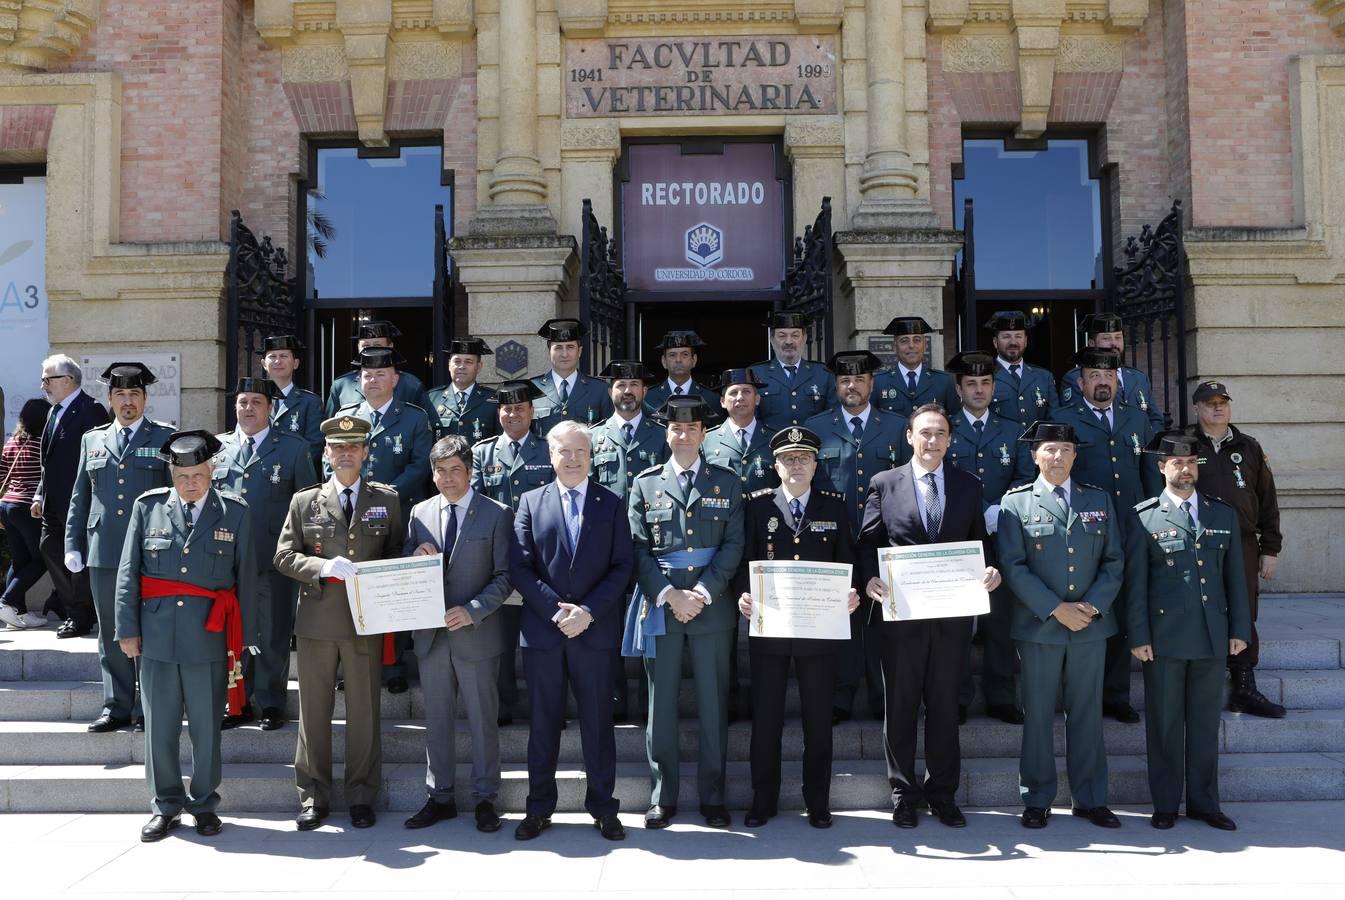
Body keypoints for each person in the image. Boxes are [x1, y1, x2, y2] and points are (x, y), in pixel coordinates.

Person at [861, 404, 1001, 829]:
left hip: (952, 618)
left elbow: (980, 541)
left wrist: (991, 569)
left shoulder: (967, 484)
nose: (932, 441)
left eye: (940, 433)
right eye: (925, 433)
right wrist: (869, 579)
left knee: (944, 707)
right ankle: (904, 793)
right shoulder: (884, 484)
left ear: (949, 439)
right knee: (901, 707)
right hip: (901, 618)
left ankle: (943, 793)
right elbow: (867, 542)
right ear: (909, 437)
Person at [113, 430, 258, 842]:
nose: (189, 483)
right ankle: (166, 805)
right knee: (159, 724)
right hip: (156, 635)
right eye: (182, 476)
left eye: (197, 474)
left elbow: (247, 578)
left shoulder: (235, 512)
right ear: (171, 473)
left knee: (207, 727)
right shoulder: (148, 507)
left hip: (209, 637)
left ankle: (205, 803)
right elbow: (129, 572)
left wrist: (245, 638)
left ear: (212, 470)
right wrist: (127, 629)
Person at [273, 415, 404, 831]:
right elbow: (283, 556)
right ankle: (313, 796)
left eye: (353, 446)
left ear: (366, 452)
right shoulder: (304, 501)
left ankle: (362, 795)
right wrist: (322, 565)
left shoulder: (387, 499)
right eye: (337, 447)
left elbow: (395, 552)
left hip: (366, 621)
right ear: (326, 454)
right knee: (314, 713)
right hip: (318, 620)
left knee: (364, 711)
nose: (345, 453)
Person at [624, 396, 745, 829]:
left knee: (714, 704)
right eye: (676, 429)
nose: (683, 435)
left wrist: (703, 592)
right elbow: (636, 549)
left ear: (703, 433)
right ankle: (663, 796)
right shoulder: (645, 483)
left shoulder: (727, 483)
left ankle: (713, 797)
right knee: (661, 707)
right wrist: (668, 594)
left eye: (691, 428)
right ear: (666, 433)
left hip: (710, 609)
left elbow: (734, 546)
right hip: (661, 607)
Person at [996, 421, 1124, 830]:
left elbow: (1114, 561)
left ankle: (1090, 797)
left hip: (1089, 625)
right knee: (1037, 715)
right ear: (1034, 455)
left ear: (1075, 455)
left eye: (1066, 450)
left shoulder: (1098, 500)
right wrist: (1055, 608)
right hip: (1040, 627)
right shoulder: (1015, 503)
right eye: (1050, 449)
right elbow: (1013, 567)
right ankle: (1036, 798)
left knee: (1087, 713)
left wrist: (1090, 606)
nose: (1058, 457)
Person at [510, 421, 634, 841]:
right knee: (543, 725)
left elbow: (622, 567)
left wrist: (588, 611)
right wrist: (556, 611)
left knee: (598, 725)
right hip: (545, 634)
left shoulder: (611, 503)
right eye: (564, 451)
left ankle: (603, 807)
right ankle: (538, 807)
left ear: (592, 455)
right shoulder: (529, 502)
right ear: (550, 456)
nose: (573, 459)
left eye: (581, 451)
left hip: (594, 633)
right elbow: (520, 568)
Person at [733, 426, 858, 829]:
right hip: (770, 628)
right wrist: (742, 595)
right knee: (766, 719)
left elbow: (847, 563)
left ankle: (817, 801)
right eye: (789, 459)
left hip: (819, 630)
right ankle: (762, 799)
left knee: (818, 721)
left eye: (804, 458)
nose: (797, 465)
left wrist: (851, 594)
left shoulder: (834, 507)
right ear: (776, 465)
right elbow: (742, 563)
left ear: (816, 464)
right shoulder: (756, 507)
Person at [1126, 431, 1250, 831]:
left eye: (1191, 463)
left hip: (1212, 637)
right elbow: (1136, 585)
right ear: (1162, 467)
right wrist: (1139, 635)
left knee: (1203, 724)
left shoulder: (1221, 514)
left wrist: (1240, 629)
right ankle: (1165, 804)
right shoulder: (1144, 516)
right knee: (1163, 724)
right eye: (1177, 463)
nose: (1185, 469)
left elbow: (1236, 579)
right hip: (1163, 639)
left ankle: (1204, 802)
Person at [401, 434, 514, 834]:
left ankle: (486, 798)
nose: (448, 478)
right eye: (440, 471)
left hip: (476, 633)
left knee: (484, 719)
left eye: (455, 470)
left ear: (470, 472)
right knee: (436, 720)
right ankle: (440, 796)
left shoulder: (497, 513)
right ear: (432, 475)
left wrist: (473, 611)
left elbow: (505, 577)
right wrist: (412, 557)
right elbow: (406, 567)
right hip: (431, 637)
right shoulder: (419, 513)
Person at [66, 363, 175, 733]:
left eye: (134, 395)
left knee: (148, 629)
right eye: (120, 395)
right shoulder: (92, 439)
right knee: (110, 631)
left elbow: (173, 500)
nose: (127, 402)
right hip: (105, 549)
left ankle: (148, 705)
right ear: (110, 399)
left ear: (145, 398)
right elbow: (81, 495)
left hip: (151, 552)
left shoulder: (164, 438)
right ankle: (116, 705)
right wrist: (72, 542)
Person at [1054, 347, 1160, 723]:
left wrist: (1154, 519)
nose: (1103, 382)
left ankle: (1115, 695)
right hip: (1083, 529)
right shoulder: (1063, 418)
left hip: (1129, 527)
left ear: (1118, 381)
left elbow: (1149, 472)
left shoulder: (1137, 419)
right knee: (1082, 607)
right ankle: (1076, 693)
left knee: (1119, 609)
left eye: (1109, 377)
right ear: (1081, 383)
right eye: (1095, 377)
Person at [806, 350, 910, 724]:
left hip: (884, 541)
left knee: (882, 620)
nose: (852, 386)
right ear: (836, 386)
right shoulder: (816, 425)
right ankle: (841, 694)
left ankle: (883, 694)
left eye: (860, 380)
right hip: (834, 539)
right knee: (841, 619)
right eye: (845, 381)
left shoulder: (897, 426)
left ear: (872, 384)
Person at [212, 377, 318, 730]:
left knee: (272, 633)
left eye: (256, 402)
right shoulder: (218, 448)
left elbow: (307, 505)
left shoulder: (292, 448)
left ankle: (271, 702)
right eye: (242, 402)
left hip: (275, 558)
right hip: (229, 560)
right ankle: (237, 701)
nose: (248, 409)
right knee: (236, 632)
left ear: (270, 409)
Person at [335, 345, 435, 693]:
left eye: (380, 374)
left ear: (395, 378)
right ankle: (353, 665)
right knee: (354, 590)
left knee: (395, 591)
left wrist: (382, 495)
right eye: (366, 375)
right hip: (351, 516)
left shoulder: (414, 418)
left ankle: (392, 667)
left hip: (399, 515)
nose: (373, 380)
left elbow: (421, 464)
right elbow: (330, 461)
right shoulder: (347, 417)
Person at [946, 351, 1035, 724]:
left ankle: (1001, 696)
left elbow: (1025, 474)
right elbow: (940, 474)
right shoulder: (944, 428)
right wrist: (979, 507)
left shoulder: (1013, 429)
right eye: (971, 384)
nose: (978, 390)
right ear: (959, 388)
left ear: (994, 387)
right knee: (958, 623)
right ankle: (958, 697)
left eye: (985, 383)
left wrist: (999, 507)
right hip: (956, 534)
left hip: (1001, 533)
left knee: (1000, 620)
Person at [1191, 380, 1285, 718]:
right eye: (1210, 402)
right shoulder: (1185, 444)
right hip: (1197, 543)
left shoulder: (1249, 447)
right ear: (1197, 408)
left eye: (1223, 402)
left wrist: (1269, 548)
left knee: (1243, 610)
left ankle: (1244, 686)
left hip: (1242, 543)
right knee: (1199, 608)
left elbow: (1267, 500)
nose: (1217, 408)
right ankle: (1199, 683)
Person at [588, 360, 668, 722]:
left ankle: (651, 700)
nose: (628, 391)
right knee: (610, 626)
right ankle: (616, 699)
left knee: (651, 626)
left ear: (645, 391)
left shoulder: (661, 433)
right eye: (621, 385)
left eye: (634, 384)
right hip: (604, 548)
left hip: (651, 544)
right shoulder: (593, 437)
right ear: (610, 392)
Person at [473, 379, 555, 727]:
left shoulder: (548, 448)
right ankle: (503, 705)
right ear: (499, 413)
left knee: (544, 639)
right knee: (501, 641)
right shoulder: (482, 453)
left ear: (532, 412)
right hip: (499, 559)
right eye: (507, 409)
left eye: (520, 408)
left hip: (541, 560)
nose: (513, 414)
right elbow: (475, 504)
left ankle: (548, 710)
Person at [33, 354, 110, 638]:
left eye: (47, 379)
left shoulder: (91, 410)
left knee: (77, 559)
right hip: (53, 504)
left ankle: (80, 616)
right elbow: (47, 460)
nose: (43, 385)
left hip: (79, 503)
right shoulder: (54, 411)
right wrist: (40, 495)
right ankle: (75, 608)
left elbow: (97, 461)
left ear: (67, 380)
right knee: (49, 548)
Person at [1059, 313, 1163, 432]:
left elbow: (1156, 419)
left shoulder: (1138, 377)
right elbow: (1075, 420)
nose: (1114, 343)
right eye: (1106, 338)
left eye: (1118, 337)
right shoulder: (1075, 378)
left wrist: (1146, 443)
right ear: (1091, 343)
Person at [0, 399, 51, 629]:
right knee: (41, 559)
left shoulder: (12, 442)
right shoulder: (42, 443)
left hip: (7, 505)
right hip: (27, 508)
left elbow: (2, 476)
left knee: (20, 561)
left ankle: (16, 613)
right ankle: (7, 601)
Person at [324, 320, 432, 416]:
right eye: (365, 346)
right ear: (358, 348)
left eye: (377, 345)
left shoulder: (411, 386)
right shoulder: (341, 386)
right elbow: (331, 428)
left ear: (390, 347)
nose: (371, 350)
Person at [751, 311, 836, 431]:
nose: (789, 342)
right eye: (782, 336)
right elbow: (751, 419)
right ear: (771, 339)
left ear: (805, 338)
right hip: (771, 447)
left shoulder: (824, 373)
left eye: (795, 335)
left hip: (814, 446)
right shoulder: (756, 374)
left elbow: (833, 418)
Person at [703, 368, 779, 495]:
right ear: (722, 402)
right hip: (724, 513)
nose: (740, 397)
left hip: (765, 513)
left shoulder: (775, 439)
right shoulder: (706, 440)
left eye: (746, 392)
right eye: (733, 393)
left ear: (757, 399)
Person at [529, 318, 612, 434]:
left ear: (580, 351)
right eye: (558, 347)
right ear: (548, 352)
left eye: (570, 347)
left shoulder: (600, 390)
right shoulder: (532, 389)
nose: (564, 354)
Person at [873, 317, 961, 418]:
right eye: (904, 341)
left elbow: (955, 422)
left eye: (917, 340)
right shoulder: (878, 383)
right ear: (895, 347)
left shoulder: (944, 382)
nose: (911, 345)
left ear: (925, 345)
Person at [258, 334, 324, 465]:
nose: (278, 361)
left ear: (295, 363)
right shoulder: (252, 401)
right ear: (264, 364)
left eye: (283, 356)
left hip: (296, 478)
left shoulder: (310, 402)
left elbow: (314, 447)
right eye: (272, 356)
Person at [986, 311, 1058, 426]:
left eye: (1018, 336)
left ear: (1025, 341)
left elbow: (1054, 420)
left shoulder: (1044, 377)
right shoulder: (985, 376)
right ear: (995, 342)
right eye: (1006, 336)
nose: (1013, 342)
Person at [427, 337, 499, 443]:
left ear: (479, 367)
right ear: (449, 365)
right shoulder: (431, 399)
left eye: (468, 362)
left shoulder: (494, 400)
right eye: (457, 361)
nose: (461, 366)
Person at [643, 330, 720, 413]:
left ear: (694, 360)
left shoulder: (711, 398)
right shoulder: (647, 398)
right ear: (664, 361)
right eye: (672, 355)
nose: (678, 360)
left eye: (685, 354)